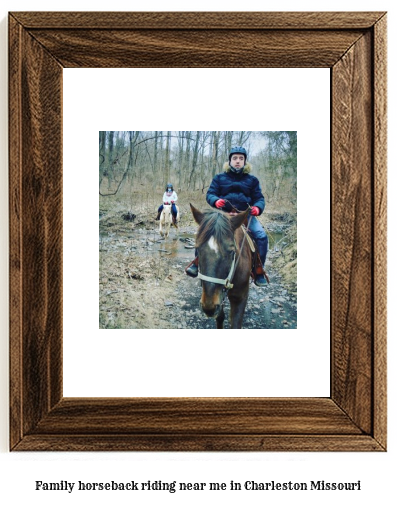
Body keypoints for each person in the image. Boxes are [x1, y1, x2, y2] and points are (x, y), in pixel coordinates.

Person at [186, 146, 268, 287]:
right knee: (204, 232)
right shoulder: (219, 178)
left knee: (261, 235)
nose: (238, 161)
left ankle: (258, 270)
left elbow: (259, 198)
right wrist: (216, 201)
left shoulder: (252, 180)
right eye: (235, 158)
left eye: (241, 158)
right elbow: (210, 194)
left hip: (244, 215)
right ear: (229, 161)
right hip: (223, 215)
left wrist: (257, 208)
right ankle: (196, 263)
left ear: (245, 162)